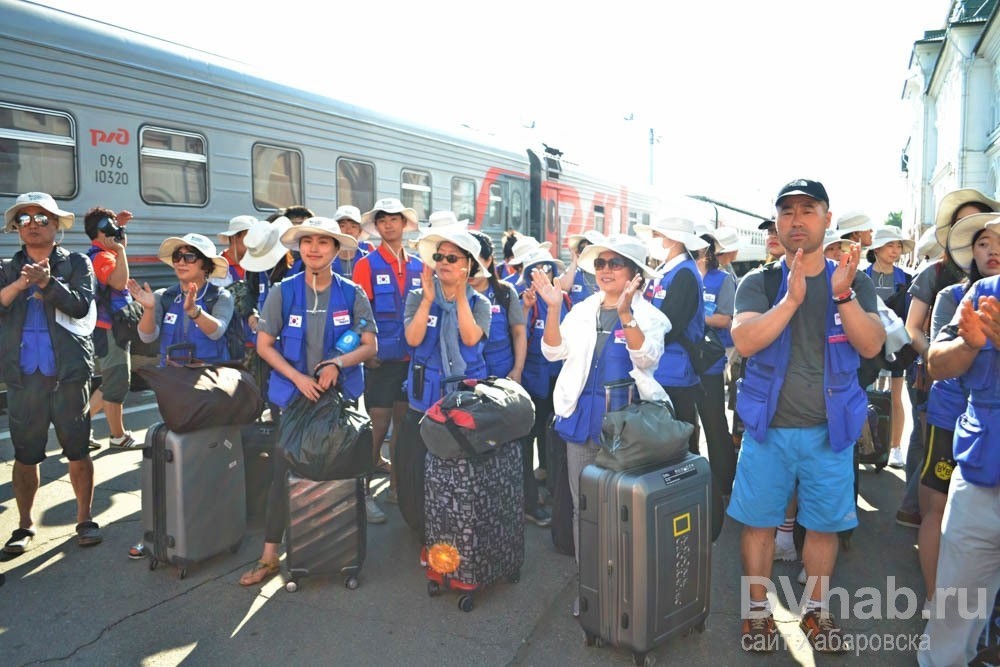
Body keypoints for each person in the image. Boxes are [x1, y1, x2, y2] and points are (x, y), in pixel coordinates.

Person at [728, 179, 884, 653]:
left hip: (828, 433)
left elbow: (872, 344)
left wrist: (841, 296)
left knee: (824, 527)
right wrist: (791, 300)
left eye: (807, 210)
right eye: (788, 211)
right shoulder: (759, 281)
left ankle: (815, 614)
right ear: (778, 222)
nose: (797, 220)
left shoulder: (853, 280)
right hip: (767, 430)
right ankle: (757, 614)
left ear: (826, 218)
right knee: (757, 524)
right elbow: (746, 340)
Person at [239, 217, 377, 586]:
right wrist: (298, 378)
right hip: (294, 401)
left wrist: (337, 362)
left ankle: (340, 551)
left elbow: (369, 344)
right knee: (283, 471)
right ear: (299, 248)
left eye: (324, 242)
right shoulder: (282, 292)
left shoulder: (352, 293)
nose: (314, 248)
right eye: (307, 241)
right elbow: (265, 346)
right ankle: (270, 556)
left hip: (339, 404)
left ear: (336, 250)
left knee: (343, 472)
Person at [536, 234, 668, 595]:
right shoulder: (581, 309)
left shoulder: (651, 317)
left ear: (635, 273)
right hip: (579, 420)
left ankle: (621, 588)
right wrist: (551, 308)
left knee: (621, 512)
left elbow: (647, 359)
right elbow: (552, 351)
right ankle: (590, 584)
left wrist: (625, 315)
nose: (605, 270)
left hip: (625, 429)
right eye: (600, 263)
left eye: (615, 263)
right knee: (584, 508)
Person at [0, 192, 102, 554]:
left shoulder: (75, 263)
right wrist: (20, 285)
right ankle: (24, 525)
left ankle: (84, 518)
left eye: (42, 218)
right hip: (23, 376)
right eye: (24, 219)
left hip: (68, 374)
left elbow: (80, 304)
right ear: (16, 228)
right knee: (26, 455)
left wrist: (47, 283)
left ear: (57, 225)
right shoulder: (7, 267)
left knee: (77, 450)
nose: (32, 225)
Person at [899, 188, 999, 529]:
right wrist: (942, 359)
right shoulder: (938, 279)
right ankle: (912, 507)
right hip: (943, 389)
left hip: (981, 409)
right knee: (928, 454)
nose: (989, 247)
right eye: (965, 226)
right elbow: (913, 329)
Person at [917, 212, 1000, 623]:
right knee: (942, 511)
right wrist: (969, 344)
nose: (993, 250)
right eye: (984, 242)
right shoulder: (956, 295)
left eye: (999, 241)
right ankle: (937, 601)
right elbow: (936, 356)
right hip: (953, 419)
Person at [395, 226, 492, 535]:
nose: (444, 262)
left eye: (453, 257)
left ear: (469, 265)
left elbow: (470, 336)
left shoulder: (480, 303)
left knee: (459, 468)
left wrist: (460, 296)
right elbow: (412, 338)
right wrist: (427, 301)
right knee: (416, 468)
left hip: (461, 401)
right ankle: (421, 529)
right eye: (439, 256)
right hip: (423, 400)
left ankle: (457, 526)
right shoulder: (416, 296)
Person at [468, 230, 548, 526]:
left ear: (489, 260)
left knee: (519, 443)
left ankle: (528, 502)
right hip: (471, 384)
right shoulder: (456, 293)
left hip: (505, 380)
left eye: (476, 259)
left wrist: (516, 370)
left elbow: (518, 332)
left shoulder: (504, 292)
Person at [351, 198, 422, 516]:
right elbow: (360, 312)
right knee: (377, 428)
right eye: (382, 220)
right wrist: (366, 354)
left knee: (403, 429)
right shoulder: (365, 264)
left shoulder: (420, 265)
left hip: (411, 360)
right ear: (377, 227)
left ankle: (396, 488)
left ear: (404, 224)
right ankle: (362, 494)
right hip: (380, 361)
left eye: (395, 219)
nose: (389, 224)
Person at [635, 216, 709, 453]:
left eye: (657, 236)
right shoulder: (664, 270)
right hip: (661, 368)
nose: (653, 241)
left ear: (672, 240)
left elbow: (670, 324)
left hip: (676, 372)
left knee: (680, 443)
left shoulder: (685, 274)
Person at [130, 233, 234, 365]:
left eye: (189, 257)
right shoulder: (163, 297)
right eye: (177, 257)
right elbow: (147, 337)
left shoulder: (221, 297)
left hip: (208, 378)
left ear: (206, 265)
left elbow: (217, 332)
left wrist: (195, 312)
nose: (181, 262)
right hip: (171, 378)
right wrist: (149, 309)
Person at [83, 206, 137, 450]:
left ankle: (80, 426)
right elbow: (119, 281)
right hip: (109, 329)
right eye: (113, 227)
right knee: (116, 382)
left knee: (111, 381)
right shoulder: (102, 257)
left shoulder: (105, 253)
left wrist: (120, 233)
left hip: (112, 327)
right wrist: (121, 250)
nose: (117, 232)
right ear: (102, 231)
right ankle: (118, 436)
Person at [864, 225, 915, 468]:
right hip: (866, 344)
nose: (896, 250)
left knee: (896, 395)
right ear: (876, 248)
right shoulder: (861, 276)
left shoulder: (906, 278)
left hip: (895, 345)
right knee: (860, 395)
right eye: (890, 245)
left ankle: (895, 447)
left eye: (898, 246)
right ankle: (865, 443)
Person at [695, 229, 737, 505]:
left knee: (714, 423)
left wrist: (695, 315)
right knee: (685, 425)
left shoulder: (723, 280)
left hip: (708, 362)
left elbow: (727, 319)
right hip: (680, 364)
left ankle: (725, 482)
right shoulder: (680, 274)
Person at [240, 217, 293, 408]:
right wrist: (251, 314)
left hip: (291, 340)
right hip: (263, 339)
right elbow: (250, 293)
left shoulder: (298, 266)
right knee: (267, 391)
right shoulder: (256, 270)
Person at [557, 230, 605, 307]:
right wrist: (574, 262)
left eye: (589, 248)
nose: (585, 252)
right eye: (582, 248)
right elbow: (562, 288)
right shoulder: (573, 272)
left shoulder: (606, 274)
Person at [332, 205, 373, 278]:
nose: (348, 231)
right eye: (342, 226)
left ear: (360, 231)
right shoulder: (326, 259)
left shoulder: (369, 259)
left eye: (353, 226)